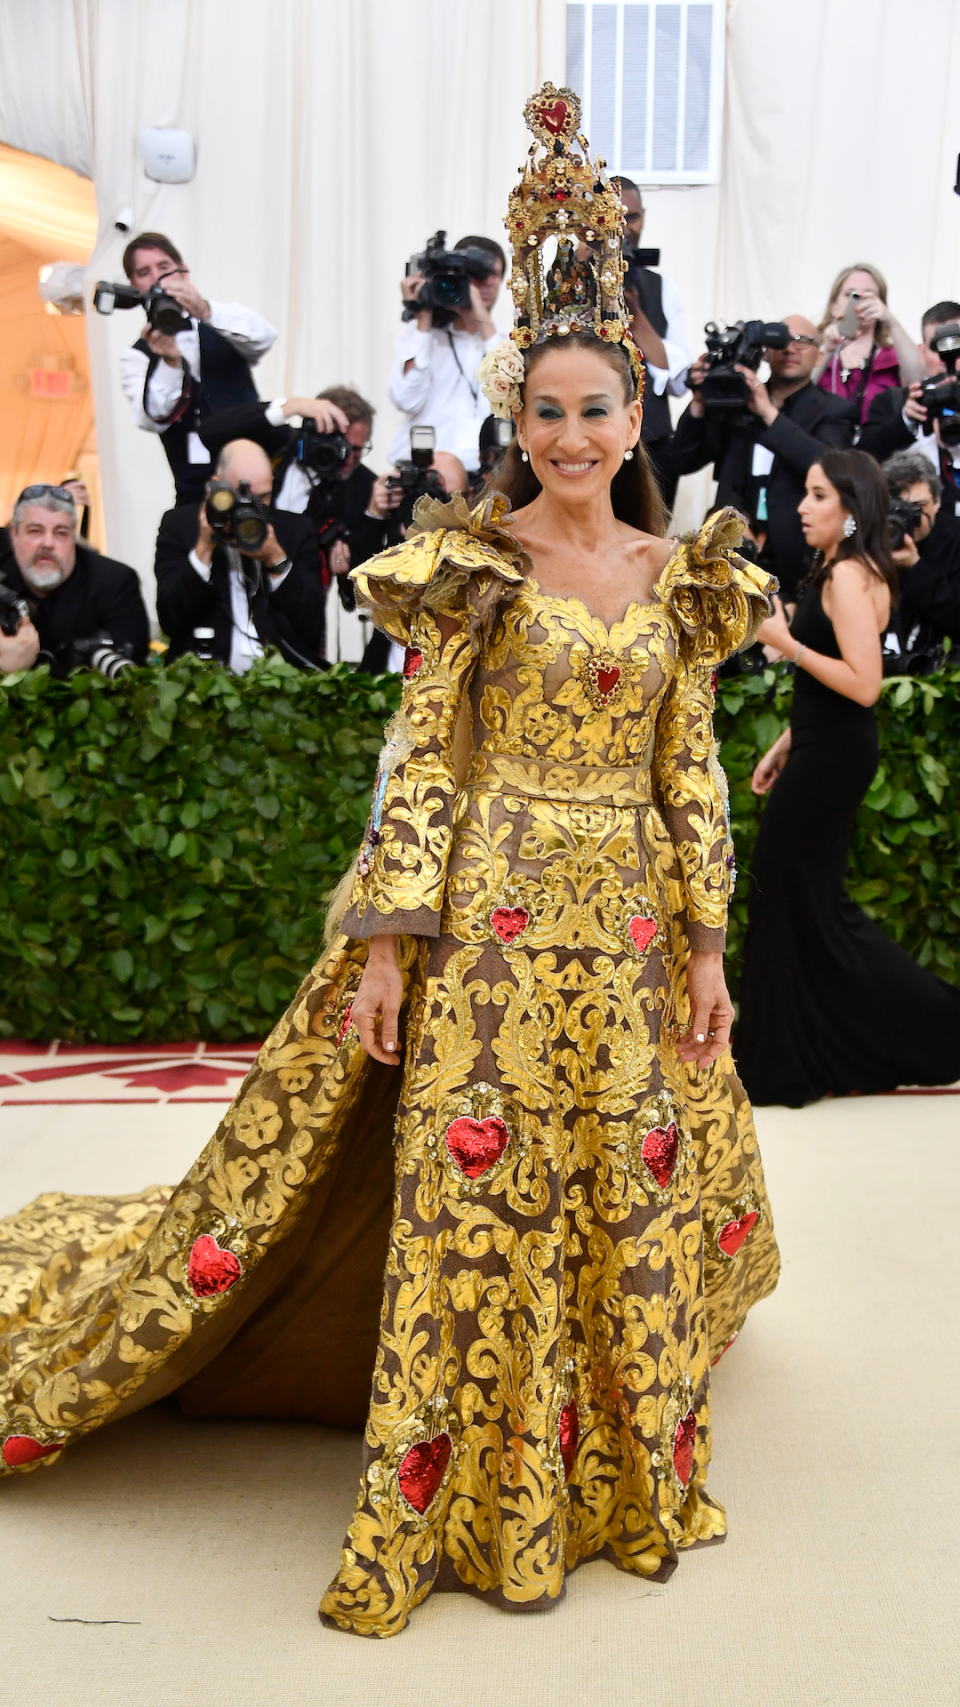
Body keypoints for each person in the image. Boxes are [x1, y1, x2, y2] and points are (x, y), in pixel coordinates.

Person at [0, 83, 778, 1640]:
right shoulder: (469, 569)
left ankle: (613, 1471)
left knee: (616, 1185)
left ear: (637, 419)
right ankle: (457, 1490)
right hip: (482, 924)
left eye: (595, 411)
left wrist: (705, 949)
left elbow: (689, 775)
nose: (568, 438)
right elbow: (423, 764)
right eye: (543, 413)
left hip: (624, 926)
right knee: (473, 1207)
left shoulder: (686, 580)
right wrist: (381, 943)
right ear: (517, 420)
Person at [735, 448, 960, 1106]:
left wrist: (782, 642)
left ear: (851, 508)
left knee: (803, 900)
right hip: (821, 746)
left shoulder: (851, 578)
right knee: (803, 903)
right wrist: (787, 740)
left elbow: (864, 685)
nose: (800, 507)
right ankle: (796, 1052)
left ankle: (941, 1026)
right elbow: (831, 682)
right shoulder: (842, 569)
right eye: (803, 494)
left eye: (816, 496)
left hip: (836, 755)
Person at [669, 316, 854, 601]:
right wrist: (699, 401)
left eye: (803, 341)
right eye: (780, 340)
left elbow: (827, 466)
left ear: (820, 356)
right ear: (766, 351)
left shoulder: (834, 410)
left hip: (796, 554)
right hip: (730, 553)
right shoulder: (736, 400)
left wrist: (769, 414)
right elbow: (681, 459)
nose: (790, 349)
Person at [118, 232, 277, 503]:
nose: (157, 278)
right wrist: (169, 363)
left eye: (164, 267)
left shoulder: (222, 324)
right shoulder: (137, 356)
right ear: (135, 286)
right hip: (194, 490)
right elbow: (151, 417)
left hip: (256, 480)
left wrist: (206, 311)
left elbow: (265, 337)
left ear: (184, 273)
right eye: (144, 272)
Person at [154, 440, 326, 670]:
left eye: (263, 497)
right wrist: (204, 547)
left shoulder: (294, 530)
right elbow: (171, 620)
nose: (255, 507)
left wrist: (276, 560)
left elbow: (312, 626)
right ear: (215, 487)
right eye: (243, 496)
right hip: (207, 677)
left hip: (282, 678)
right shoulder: (180, 527)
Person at [0, 484, 148, 677]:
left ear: (73, 537)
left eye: (61, 533)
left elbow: (130, 674)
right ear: (13, 534)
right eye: (35, 531)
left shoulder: (115, 582)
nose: (48, 543)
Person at [388, 235, 506, 474]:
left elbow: (510, 399)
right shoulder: (422, 333)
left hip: (483, 477)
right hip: (424, 473)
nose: (485, 283)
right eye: (476, 274)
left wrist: (482, 320)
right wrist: (423, 317)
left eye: (493, 275)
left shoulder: (504, 343)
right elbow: (405, 399)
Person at [619, 176, 692, 511]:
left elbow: (679, 380)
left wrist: (635, 311)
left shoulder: (662, 287)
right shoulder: (569, 279)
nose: (625, 227)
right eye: (614, 216)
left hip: (653, 442)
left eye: (632, 217)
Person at [859, 303, 960, 512]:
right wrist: (905, 420)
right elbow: (862, 463)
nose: (947, 358)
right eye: (937, 347)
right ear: (922, 353)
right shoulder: (892, 402)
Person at [813, 264, 923, 427]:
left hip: (881, 447)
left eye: (869, 296)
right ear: (833, 304)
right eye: (851, 294)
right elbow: (798, 391)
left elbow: (919, 381)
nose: (860, 300)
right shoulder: (818, 350)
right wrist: (828, 351)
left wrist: (892, 322)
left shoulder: (892, 355)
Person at [881, 449, 960, 671]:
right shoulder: (873, 539)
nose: (909, 519)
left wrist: (915, 567)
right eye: (899, 508)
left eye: (917, 508)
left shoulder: (956, 537)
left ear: (937, 501)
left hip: (943, 663)